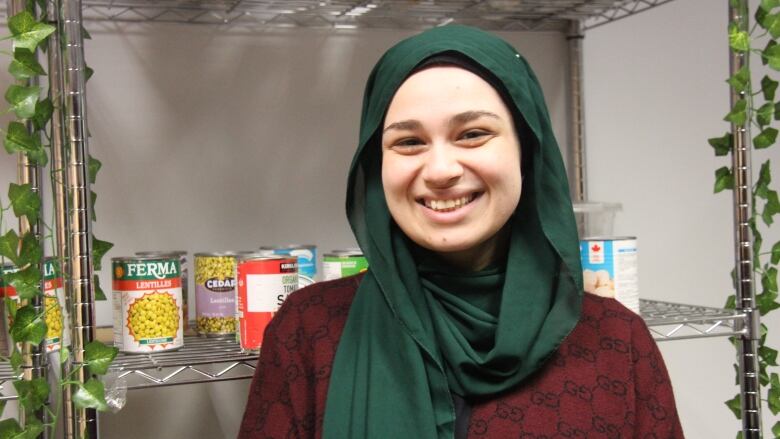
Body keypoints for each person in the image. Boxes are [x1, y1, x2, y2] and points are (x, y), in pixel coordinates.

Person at [238, 25, 683, 439]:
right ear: (376, 166)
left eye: (472, 134)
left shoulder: (617, 343)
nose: (441, 170)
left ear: (527, 152)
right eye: (409, 142)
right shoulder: (307, 332)